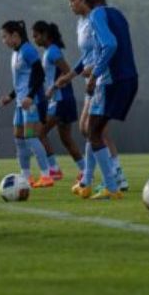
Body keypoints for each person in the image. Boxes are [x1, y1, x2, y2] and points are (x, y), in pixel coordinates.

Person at [74, 0, 138, 201]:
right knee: (94, 131)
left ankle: (111, 186)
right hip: (129, 78)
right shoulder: (117, 13)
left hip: (111, 81)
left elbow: (110, 44)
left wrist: (96, 73)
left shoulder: (95, 15)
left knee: (93, 131)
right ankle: (87, 182)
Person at [0, 21, 53, 187]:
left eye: (5, 37)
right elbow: (22, 80)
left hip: (32, 102)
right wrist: (11, 96)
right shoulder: (15, 53)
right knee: (19, 139)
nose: (3, 41)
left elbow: (39, 74)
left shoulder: (28, 50)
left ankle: (46, 176)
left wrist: (30, 96)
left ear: (15, 35)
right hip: (21, 103)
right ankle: (26, 176)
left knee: (30, 137)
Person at [33, 20, 84, 180]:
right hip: (61, 99)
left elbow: (68, 71)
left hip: (61, 99)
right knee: (66, 139)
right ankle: (85, 170)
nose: (34, 40)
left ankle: (54, 169)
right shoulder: (50, 51)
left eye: (36, 36)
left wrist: (53, 87)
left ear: (45, 35)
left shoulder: (53, 51)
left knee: (39, 132)